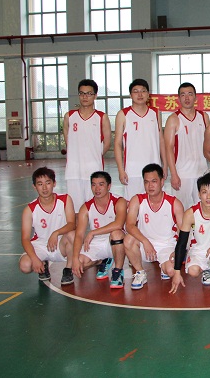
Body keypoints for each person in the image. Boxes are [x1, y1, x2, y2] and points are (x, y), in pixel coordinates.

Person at [123, 163, 185, 290]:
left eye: (154, 181)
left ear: (162, 182)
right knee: (128, 240)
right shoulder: (137, 200)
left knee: (171, 271)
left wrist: (177, 251)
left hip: (166, 245)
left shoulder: (174, 203)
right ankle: (140, 272)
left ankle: (164, 266)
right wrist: (145, 241)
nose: (150, 186)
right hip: (145, 244)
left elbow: (183, 232)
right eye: (146, 182)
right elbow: (129, 225)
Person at [19, 167, 76, 285]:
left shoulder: (65, 199)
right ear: (34, 186)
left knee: (72, 235)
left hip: (61, 243)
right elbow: (25, 238)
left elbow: (72, 224)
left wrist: (56, 233)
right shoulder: (29, 209)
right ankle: (43, 263)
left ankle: (68, 269)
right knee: (25, 265)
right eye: (40, 184)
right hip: (41, 245)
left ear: (54, 183)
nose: (44, 188)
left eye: (48, 183)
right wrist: (34, 259)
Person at [70, 171, 127, 289]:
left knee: (116, 234)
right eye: (94, 184)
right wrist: (74, 258)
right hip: (97, 243)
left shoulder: (119, 201)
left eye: (101, 184)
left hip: (117, 243)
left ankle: (118, 271)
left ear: (109, 186)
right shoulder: (86, 207)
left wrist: (93, 232)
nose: (97, 188)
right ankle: (103, 260)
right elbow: (79, 234)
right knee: (79, 264)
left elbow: (118, 224)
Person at [63, 79, 111, 212]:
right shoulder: (69, 116)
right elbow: (68, 140)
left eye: (89, 93)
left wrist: (94, 155)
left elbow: (107, 143)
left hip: (94, 169)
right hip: (73, 170)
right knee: (75, 210)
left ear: (95, 96)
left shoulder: (102, 117)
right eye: (82, 93)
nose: (85, 97)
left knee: (94, 208)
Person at [114, 79, 166, 200]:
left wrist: (165, 166)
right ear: (130, 95)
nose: (140, 94)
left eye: (143, 91)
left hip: (154, 167)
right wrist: (121, 170)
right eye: (136, 91)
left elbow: (161, 140)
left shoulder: (155, 113)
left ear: (148, 94)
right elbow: (117, 144)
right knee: (133, 204)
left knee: (154, 203)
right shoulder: (123, 114)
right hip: (132, 171)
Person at [164, 82, 210, 209]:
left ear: (195, 97)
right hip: (182, 174)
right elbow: (168, 148)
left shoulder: (204, 117)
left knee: (203, 209)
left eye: (190, 94)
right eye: (183, 95)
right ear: (179, 98)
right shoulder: (173, 119)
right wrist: (174, 174)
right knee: (180, 209)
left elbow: (209, 144)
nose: (187, 98)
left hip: (202, 172)